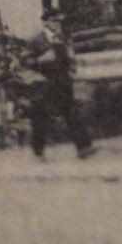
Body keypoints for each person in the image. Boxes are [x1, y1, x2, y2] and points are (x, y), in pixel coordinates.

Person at [22, 10, 96, 162]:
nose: (58, 24)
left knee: (72, 114)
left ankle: (84, 148)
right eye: (54, 21)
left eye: (59, 22)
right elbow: (24, 61)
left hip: (63, 83)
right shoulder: (36, 40)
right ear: (46, 23)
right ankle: (38, 152)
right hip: (44, 84)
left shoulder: (61, 39)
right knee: (41, 118)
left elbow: (68, 59)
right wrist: (39, 60)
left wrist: (72, 64)